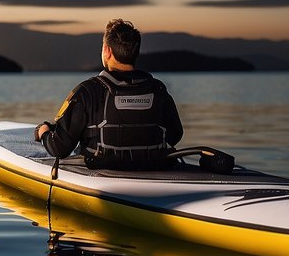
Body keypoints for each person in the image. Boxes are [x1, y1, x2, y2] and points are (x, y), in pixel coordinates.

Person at [35, 18, 183, 169]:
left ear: (107, 51)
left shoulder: (87, 91)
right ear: (136, 52)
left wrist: (43, 131)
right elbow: (175, 134)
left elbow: (59, 148)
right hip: (153, 168)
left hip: (103, 173)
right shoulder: (157, 89)